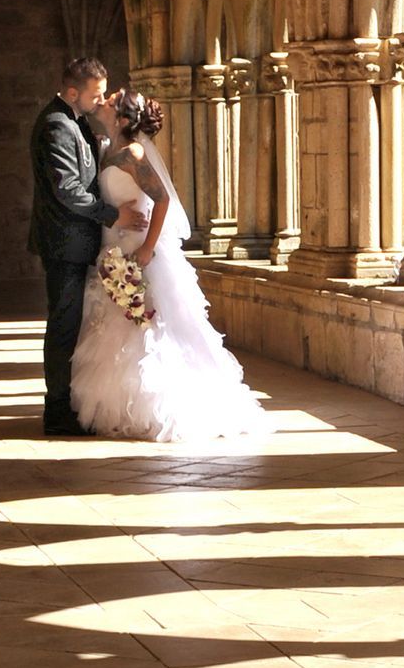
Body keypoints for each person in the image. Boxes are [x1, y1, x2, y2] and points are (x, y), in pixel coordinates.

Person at [71, 87, 264, 440]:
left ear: (125, 119)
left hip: (139, 251)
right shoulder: (108, 148)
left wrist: (146, 248)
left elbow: (160, 201)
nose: (105, 102)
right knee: (118, 325)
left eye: (112, 101)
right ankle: (122, 406)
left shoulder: (133, 153)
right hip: (114, 249)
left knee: (150, 327)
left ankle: (159, 407)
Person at [27, 56, 141, 438]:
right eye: (96, 93)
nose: (102, 99)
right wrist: (113, 216)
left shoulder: (75, 122)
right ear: (73, 92)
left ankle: (67, 403)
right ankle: (57, 411)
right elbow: (68, 192)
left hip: (77, 242)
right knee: (63, 324)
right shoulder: (57, 126)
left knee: (73, 323)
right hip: (65, 244)